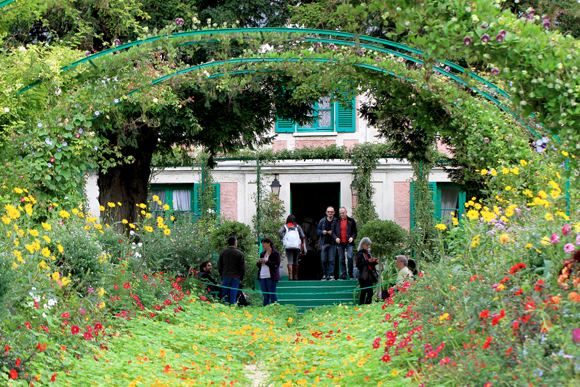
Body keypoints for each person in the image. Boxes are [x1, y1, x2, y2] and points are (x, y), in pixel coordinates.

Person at [217, 236, 246, 305]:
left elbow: (219, 265)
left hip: (226, 276)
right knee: (233, 294)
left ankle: (224, 308)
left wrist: (222, 274)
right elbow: (243, 267)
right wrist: (241, 277)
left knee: (225, 294)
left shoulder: (223, 252)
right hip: (236, 277)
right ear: (235, 243)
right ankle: (232, 308)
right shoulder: (240, 253)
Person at [332, 207, 358, 280]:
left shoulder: (351, 221)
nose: (342, 214)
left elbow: (355, 232)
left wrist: (352, 237)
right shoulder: (336, 221)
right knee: (342, 259)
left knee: (350, 257)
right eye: (340, 213)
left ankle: (351, 274)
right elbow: (333, 232)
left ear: (346, 212)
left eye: (343, 213)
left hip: (349, 242)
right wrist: (336, 238)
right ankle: (343, 275)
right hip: (340, 243)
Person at [278, 215, 305, 280]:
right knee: (296, 261)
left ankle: (290, 276)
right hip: (296, 246)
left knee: (290, 260)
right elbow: (303, 235)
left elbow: (280, 232)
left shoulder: (285, 226)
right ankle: (295, 276)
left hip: (288, 246)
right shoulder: (298, 226)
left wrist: (283, 238)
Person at [256, 237, 281, 306]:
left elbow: (276, 264)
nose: (263, 245)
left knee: (272, 295)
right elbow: (258, 266)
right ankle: (265, 311)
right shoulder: (262, 253)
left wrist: (266, 261)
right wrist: (259, 262)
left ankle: (275, 310)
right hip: (262, 276)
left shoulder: (275, 253)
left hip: (271, 277)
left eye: (264, 243)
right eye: (262, 243)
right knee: (265, 296)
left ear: (269, 243)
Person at [317, 206, 338, 280]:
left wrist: (334, 233)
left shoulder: (336, 221)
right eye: (328, 212)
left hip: (333, 243)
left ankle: (331, 275)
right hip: (324, 243)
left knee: (331, 260)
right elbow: (318, 231)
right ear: (326, 212)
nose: (330, 213)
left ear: (334, 212)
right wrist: (323, 232)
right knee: (323, 260)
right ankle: (325, 274)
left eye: (331, 212)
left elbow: (339, 231)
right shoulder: (322, 221)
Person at [355, 237, 378, 304]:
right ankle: (361, 305)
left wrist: (374, 262)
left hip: (369, 275)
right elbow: (358, 265)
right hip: (363, 276)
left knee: (370, 292)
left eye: (369, 245)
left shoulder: (368, 253)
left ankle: (368, 304)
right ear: (362, 244)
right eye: (367, 245)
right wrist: (367, 261)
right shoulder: (359, 253)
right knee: (363, 292)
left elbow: (370, 265)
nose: (368, 246)